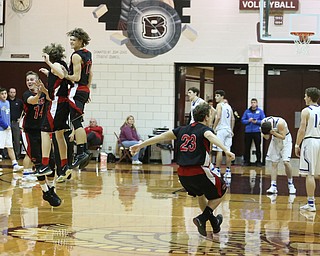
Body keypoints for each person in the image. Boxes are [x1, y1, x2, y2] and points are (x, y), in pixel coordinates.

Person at [130, 103, 235, 236]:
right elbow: (211, 137)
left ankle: (214, 223)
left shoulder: (181, 129)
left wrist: (140, 145)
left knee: (201, 194)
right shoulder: (205, 130)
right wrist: (225, 149)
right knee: (223, 188)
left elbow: (161, 137)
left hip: (182, 175)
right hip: (199, 171)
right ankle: (202, 219)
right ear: (207, 117)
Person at [21, 71, 60, 207]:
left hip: (43, 131)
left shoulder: (44, 92)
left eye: (32, 79)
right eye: (28, 80)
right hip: (29, 132)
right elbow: (34, 101)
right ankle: (45, 191)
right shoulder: (26, 94)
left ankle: (51, 190)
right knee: (39, 165)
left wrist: (44, 89)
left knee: (51, 162)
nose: (29, 82)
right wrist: (39, 93)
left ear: (37, 80)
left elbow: (52, 99)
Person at [38, 43, 72, 184]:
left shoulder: (56, 65)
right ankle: (64, 166)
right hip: (63, 104)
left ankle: (45, 164)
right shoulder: (61, 64)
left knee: (45, 132)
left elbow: (61, 74)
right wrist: (48, 73)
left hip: (57, 104)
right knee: (59, 135)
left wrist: (48, 63)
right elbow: (61, 77)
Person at [64, 28, 92, 169]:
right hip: (84, 89)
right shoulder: (88, 54)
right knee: (78, 120)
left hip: (76, 89)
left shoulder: (76, 55)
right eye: (71, 40)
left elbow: (76, 77)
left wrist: (64, 75)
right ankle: (84, 150)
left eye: (74, 40)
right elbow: (90, 74)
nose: (71, 42)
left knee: (76, 122)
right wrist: (86, 90)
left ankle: (81, 152)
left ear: (81, 41)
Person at [295, 87, 320, 212]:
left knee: (310, 174)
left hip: (310, 141)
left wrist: (297, 144)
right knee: (317, 173)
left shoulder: (306, 111)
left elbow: (302, 129)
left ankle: (311, 203)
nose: (304, 98)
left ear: (309, 97)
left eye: (305, 96)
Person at [261, 116, 296, 195]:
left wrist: (273, 133)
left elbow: (283, 137)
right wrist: (264, 133)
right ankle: (273, 186)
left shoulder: (280, 123)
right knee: (274, 163)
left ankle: (291, 184)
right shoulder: (263, 122)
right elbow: (267, 137)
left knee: (286, 162)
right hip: (275, 140)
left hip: (286, 139)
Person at [0, 87, 24, 172]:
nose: (4, 95)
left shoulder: (7, 103)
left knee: (10, 147)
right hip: (1, 129)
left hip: (8, 129)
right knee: (1, 147)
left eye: (5, 93)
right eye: (2, 94)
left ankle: (15, 164)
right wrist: (5, 126)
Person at [212, 90, 235, 178]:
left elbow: (218, 117)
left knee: (219, 150)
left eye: (217, 96)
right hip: (228, 130)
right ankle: (228, 171)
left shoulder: (219, 105)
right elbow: (232, 119)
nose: (215, 97)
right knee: (228, 151)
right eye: (215, 96)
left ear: (222, 97)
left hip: (221, 129)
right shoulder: (228, 106)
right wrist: (231, 130)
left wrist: (214, 128)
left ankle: (217, 169)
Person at [241, 98, 265, 166]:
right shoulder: (247, 111)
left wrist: (256, 121)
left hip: (256, 131)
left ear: (257, 103)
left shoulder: (260, 111)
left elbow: (263, 121)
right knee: (247, 147)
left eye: (254, 102)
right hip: (248, 132)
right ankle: (247, 161)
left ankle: (258, 161)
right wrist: (248, 121)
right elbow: (243, 120)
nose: (253, 104)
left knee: (258, 147)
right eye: (252, 102)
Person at [8, 87, 24, 159]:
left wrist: (20, 118)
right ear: (8, 93)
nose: (12, 94)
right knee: (8, 139)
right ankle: (7, 155)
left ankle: (17, 155)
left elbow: (23, 110)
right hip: (7, 123)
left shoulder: (19, 101)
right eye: (11, 92)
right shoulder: (6, 102)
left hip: (15, 123)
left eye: (14, 92)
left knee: (17, 139)